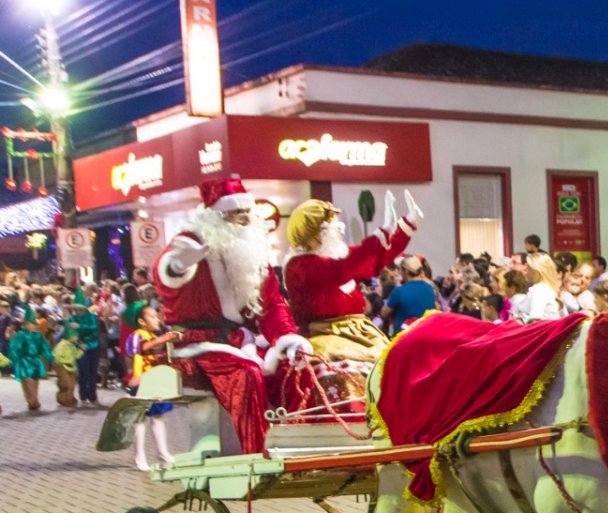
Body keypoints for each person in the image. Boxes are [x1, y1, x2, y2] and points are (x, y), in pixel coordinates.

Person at [152, 177, 312, 455]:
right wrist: (177, 266)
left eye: (247, 214)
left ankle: (301, 447)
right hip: (198, 343)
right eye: (236, 214)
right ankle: (257, 455)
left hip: (241, 341)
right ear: (215, 216)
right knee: (247, 375)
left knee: (295, 368)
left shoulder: (252, 252)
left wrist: (287, 338)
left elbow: (272, 305)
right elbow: (167, 273)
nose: (244, 221)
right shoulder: (191, 241)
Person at [283, 196, 418, 410]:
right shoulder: (300, 266)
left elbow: (372, 262)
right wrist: (379, 233)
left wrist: (405, 226)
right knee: (340, 366)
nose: (340, 229)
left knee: (396, 360)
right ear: (316, 233)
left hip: (360, 332)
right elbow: (342, 269)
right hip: (325, 334)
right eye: (333, 225)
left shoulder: (334, 258)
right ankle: (352, 419)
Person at [123, 302, 176, 471]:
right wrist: (136, 375)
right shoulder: (137, 336)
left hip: (156, 380)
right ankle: (139, 455)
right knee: (140, 419)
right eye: (151, 316)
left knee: (158, 416)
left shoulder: (154, 335)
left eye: (156, 316)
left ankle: (162, 451)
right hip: (142, 381)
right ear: (141, 321)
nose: (156, 320)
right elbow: (138, 351)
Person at [8, 305, 54, 411]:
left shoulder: (38, 335)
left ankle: (32, 402)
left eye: (34, 323)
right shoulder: (21, 335)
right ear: (26, 324)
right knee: (27, 383)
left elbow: (44, 347)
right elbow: (15, 348)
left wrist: (50, 357)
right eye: (32, 323)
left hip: (36, 361)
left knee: (35, 384)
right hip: (24, 362)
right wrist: (14, 360)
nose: (34, 325)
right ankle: (32, 401)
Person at [384, 255, 439, 332]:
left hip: (403, 336)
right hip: (425, 333)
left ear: (406, 271)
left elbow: (384, 313)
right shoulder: (430, 288)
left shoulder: (399, 291)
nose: (399, 272)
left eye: (400, 269)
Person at [52, 326, 82, 408]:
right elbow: (56, 356)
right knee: (65, 384)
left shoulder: (72, 346)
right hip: (63, 366)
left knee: (72, 385)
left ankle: (70, 398)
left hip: (72, 367)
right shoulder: (62, 345)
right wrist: (60, 363)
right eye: (75, 336)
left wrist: (81, 350)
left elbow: (76, 355)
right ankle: (62, 398)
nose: (77, 338)